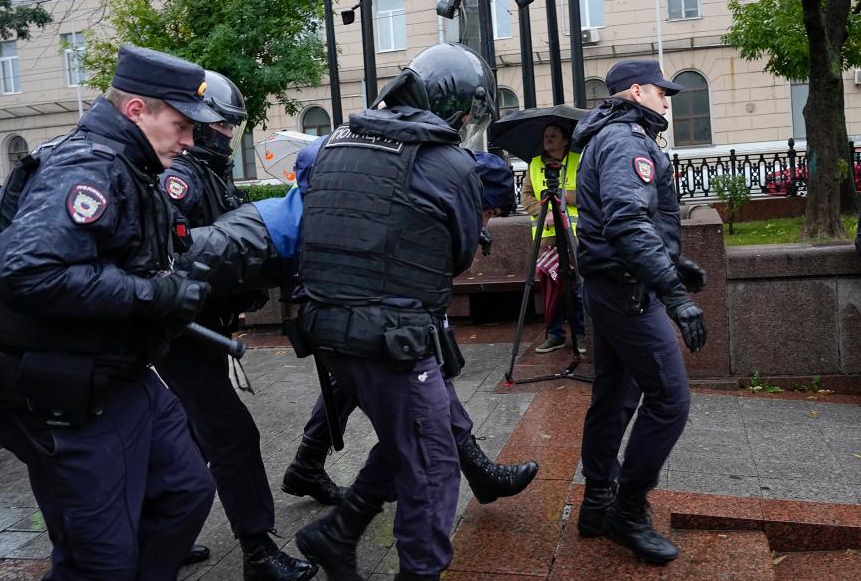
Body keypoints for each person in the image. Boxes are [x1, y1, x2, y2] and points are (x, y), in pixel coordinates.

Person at [0, 45, 221, 580]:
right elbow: (29, 272)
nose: (188, 141)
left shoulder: (128, 163)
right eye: (181, 124)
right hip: (68, 392)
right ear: (136, 110)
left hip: (121, 375)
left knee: (185, 492)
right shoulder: (86, 166)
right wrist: (154, 296)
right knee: (99, 561)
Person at [291, 43, 497, 581]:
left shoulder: (334, 141)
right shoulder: (449, 163)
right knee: (431, 464)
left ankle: (338, 533)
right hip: (392, 340)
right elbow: (457, 255)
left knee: (414, 434)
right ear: (454, 103)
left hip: (327, 331)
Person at [281, 150, 539, 510]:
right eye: (488, 211)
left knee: (353, 386)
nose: (486, 221)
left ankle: (308, 468)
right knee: (421, 396)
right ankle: (475, 471)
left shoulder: (424, 193)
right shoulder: (411, 199)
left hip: (349, 311)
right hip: (347, 307)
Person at [156, 70, 316, 581]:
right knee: (232, 438)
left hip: (203, 328)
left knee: (188, 437)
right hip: (183, 333)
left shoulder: (210, 174)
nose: (229, 136)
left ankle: (161, 537)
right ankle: (257, 551)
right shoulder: (177, 179)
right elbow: (174, 256)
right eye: (224, 127)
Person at [571, 59, 708, 564]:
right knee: (669, 399)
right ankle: (627, 512)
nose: (668, 99)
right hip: (627, 291)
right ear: (635, 92)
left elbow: (630, 221)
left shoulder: (610, 135)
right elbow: (627, 222)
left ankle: (596, 503)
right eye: (660, 91)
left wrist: (672, 262)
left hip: (613, 285)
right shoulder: (627, 140)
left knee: (613, 397)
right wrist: (673, 293)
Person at [521, 124, 586, 354]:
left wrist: (567, 197)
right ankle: (555, 335)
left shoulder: (580, 161)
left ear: (565, 140)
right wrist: (542, 211)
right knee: (550, 287)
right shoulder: (535, 163)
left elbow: (592, 192)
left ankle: (582, 333)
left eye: (553, 136)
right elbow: (526, 196)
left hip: (576, 237)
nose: (547, 139)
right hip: (547, 238)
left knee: (579, 286)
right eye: (546, 135)